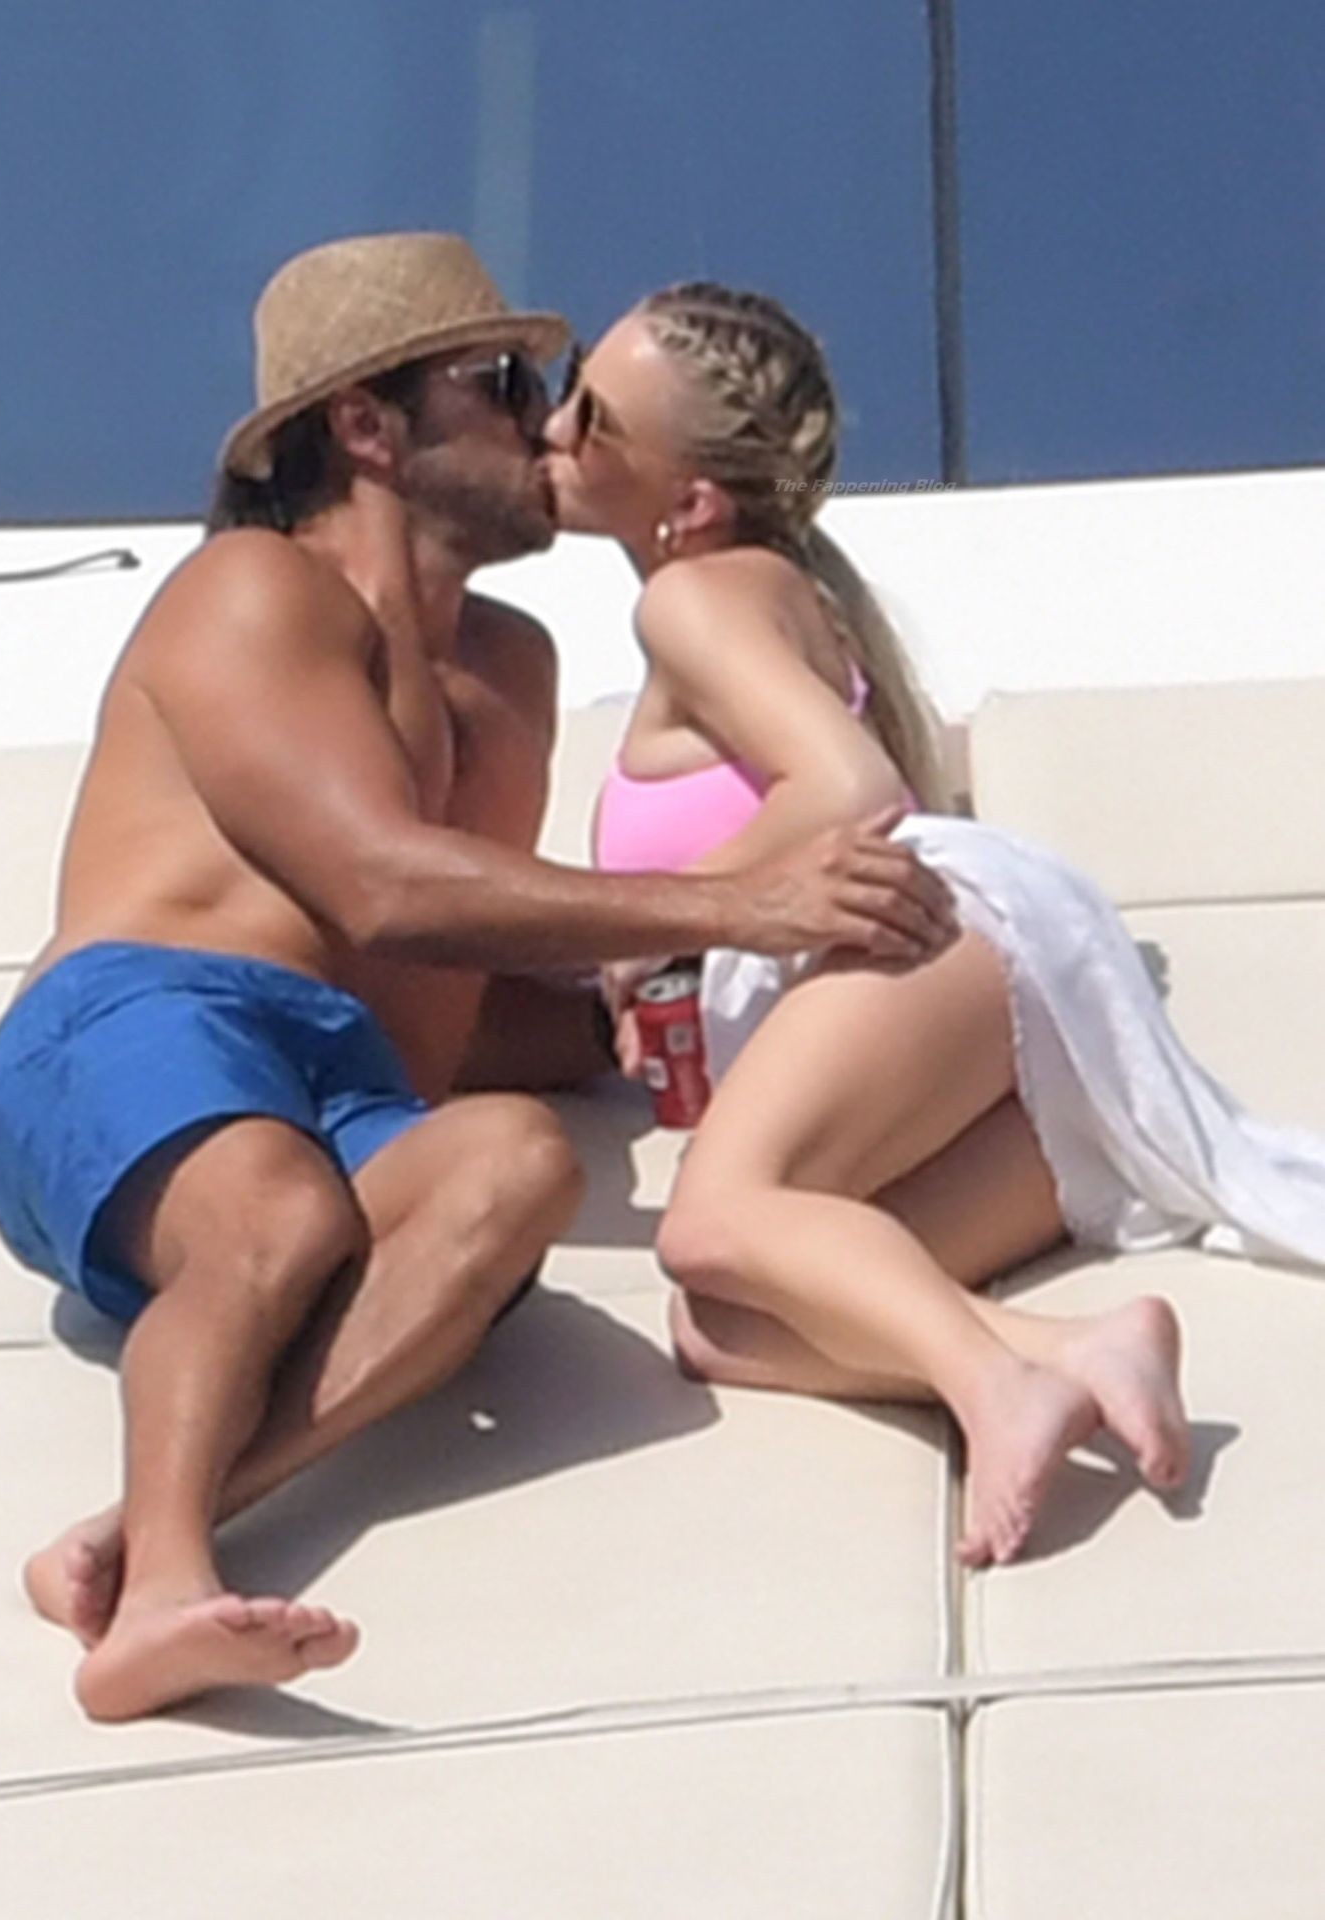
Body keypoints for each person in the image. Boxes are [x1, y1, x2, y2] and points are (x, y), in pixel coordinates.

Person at [0, 235, 958, 1722]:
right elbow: (378, 882)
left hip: (343, 1095)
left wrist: (642, 1019)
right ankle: (165, 1593)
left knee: (514, 1167)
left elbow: (454, 977)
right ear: (367, 425)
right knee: (276, 1209)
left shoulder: (511, 669)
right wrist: (741, 904)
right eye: (500, 383)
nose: (543, 419)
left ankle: (126, 1542)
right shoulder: (253, 587)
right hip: (134, 1023)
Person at [540, 280, 1325, 1568]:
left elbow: (851, 789)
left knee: (709, 1222)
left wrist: (650, 927)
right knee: (726, 1326)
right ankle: (1077, 1350)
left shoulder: (690, 597)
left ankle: (996, 1388)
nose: (553, 430)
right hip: (966, 983)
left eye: (593, 417)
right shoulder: (779, 595)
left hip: (931, 935)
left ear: (692, 501)